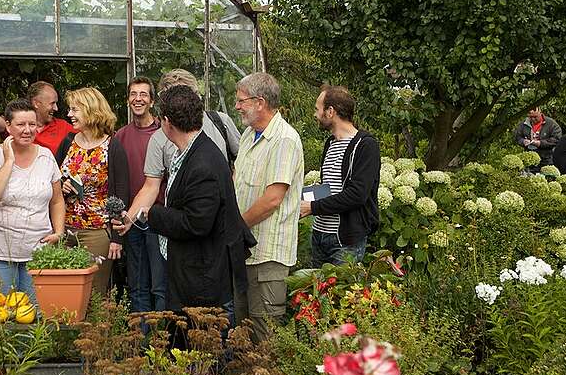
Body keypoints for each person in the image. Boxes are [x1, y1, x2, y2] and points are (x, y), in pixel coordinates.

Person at [124, 85, 253, 314]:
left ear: (167, 122)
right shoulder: (190, 152)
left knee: (205, 344)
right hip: (196, 268)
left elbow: (197, 223)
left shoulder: (202, 162)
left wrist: (153, 214)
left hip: (204, 276)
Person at [118, 69, 241, 242]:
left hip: (222, 219)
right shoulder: (159, 136)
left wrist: (232, 192)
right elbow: (151, 186)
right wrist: (129, 218)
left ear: (195, 96)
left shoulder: (220, 122)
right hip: (185, 223)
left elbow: (244, 162)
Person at [233, 72, 304, 342]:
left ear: (260, 102)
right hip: (246, 251)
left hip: (267, 255)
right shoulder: (249, 135)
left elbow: (273, 198)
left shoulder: (284, 139)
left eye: (242, 101)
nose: (237, 106)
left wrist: (236, 227)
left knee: (265, 335)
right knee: (243, 330)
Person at [0, 99, 65, 307]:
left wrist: (58, 231)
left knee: (37, 318)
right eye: (21, 125)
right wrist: (9, 162)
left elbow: (57, 201)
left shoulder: (46, 157)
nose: (27, 130)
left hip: (39, 253)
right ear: (8, 126)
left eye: (32, 124)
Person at [55, 87, 130, 297]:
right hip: (66, 229)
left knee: (93, 295)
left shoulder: (112, 146)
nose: (69, 114)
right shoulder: (68, 143)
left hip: (96, 233)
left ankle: (96, 331)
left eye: (75, 109)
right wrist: (62, 186)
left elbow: (121, 196)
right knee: (65, 296)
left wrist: (117, 237)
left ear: (91, 111)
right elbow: (52, 180)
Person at [299, 86, 381, 266]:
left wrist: (312, 207)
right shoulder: (330, 143)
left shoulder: (365, 145)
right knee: (314, 293)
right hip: (319, 235)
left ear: (330, 111)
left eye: (317, 109)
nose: (315, 114)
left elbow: (357, 195)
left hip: (345, 242)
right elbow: (329, 188)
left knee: (340, 293)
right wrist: (298, 197)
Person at [113, 76, 168, 313]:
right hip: (130, 220)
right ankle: (141, 340)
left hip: (157, 217)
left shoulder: (164, 134)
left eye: (143, 94)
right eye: (133, 94)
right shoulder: (120, 136)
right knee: (137, 285)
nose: (138, 99)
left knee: (160, 285)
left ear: (152, 101)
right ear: (128, 100)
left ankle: (163, 341)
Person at [28, 81, 75, 156]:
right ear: (36, 103)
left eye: (56, 103)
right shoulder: (19, 126)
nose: (56, 108)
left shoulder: (63, 126)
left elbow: (89, 135)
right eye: (52, 103)